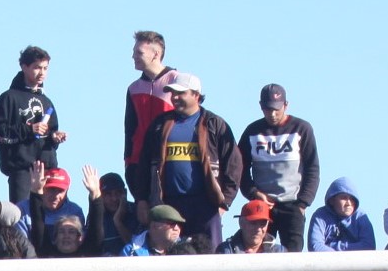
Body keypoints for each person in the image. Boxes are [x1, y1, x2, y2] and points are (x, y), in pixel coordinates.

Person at [133, 73, 239, 248]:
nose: (174, 97)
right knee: (170, 255)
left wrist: (225, 202)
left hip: (206, 205)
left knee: (210, 255)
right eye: (172, 93)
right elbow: (144, 164)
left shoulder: (214, 124)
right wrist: (142, 199)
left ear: (196, 95)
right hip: (169, 204)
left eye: (180, 93)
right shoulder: (160, 124)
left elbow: (233, 164)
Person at [238, 85, 320, 252]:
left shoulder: (302, 128)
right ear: (261, 106)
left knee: (293, 257)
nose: (273, 114)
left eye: (277, 109)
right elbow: (239, 168)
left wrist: (302, 203)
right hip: (262, 206)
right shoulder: (252, 131)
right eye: (268, 109)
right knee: (260, 254)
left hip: (293, 205)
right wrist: (254, 193)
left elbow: (312, 168)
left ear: (286, 105)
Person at [0, 47, 65, 204]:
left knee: (50, 217)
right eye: (37, 67)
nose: (42, 72)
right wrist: (29, 129)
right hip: (22, 171)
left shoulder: (47, 102)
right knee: (23, 216)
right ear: (24, 67)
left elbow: (51, 133)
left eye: (45, 68)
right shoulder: (9, 97)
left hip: (48, 172)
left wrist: (54, 137)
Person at [123, 31, 176, 178]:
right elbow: (130, 128)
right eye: (133, 52)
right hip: (139, 162)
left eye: (139, 52)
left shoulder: (176, 81)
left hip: (169, 158)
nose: (133, 56)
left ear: (156, 54)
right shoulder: (134, 88)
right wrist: (128, 161)